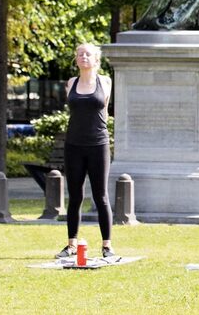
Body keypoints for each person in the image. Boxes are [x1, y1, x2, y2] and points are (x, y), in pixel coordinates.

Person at [55, 43, 115, 259]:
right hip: (74, 145)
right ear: (76, 59)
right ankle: (71, 245)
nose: (84, 57)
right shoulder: (71, 83)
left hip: (98, 144)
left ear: (96, 60)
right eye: (80, 54)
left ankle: (107, 245)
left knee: (101, 196)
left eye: (88, 54)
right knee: (75, 196)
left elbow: (105, 112)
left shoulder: (105, 82)